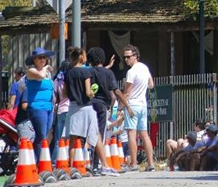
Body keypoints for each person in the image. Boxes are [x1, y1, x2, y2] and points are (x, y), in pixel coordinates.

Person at [64, 48, 116, 176]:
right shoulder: (85, 73)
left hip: (72, 107)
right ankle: (104, 165)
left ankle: (71, 166)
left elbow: (64, 93)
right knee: (96, 135)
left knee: (73, 137)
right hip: (86, 107)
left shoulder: (68, 73)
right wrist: (92, 93)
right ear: (82, 57)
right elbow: (88, 92)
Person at [88, 47, 132, 175]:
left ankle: (85, 161)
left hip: (89, 105)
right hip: (102, 106)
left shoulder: (89, 72)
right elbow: (116, 91)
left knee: (87, 134)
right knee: (99, 135)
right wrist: (126, 106)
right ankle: (96, 164)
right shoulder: (108, 74)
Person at [122, 44, 155, 171]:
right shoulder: (144, 68)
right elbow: (151, 84)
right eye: (125, 57)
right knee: (144, 134)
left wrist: (121, 105)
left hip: (132, 104)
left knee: (131, 133)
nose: (126, 59)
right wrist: (141, 88)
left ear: (135, 56)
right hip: (143, 104)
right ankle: (150, 163)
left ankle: (133, 163)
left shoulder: (131, 72)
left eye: (128, 57)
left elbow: (127, 91)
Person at [25, 47, 55, 162]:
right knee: (41, 135)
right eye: (40, 58)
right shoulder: (31, 71)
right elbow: (41, 76)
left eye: (44, 57)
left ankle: (40, 160)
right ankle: (38, 162)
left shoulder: (48, 74)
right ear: (34, 60)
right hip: (37, 107)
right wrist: (46, 68)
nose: (43, 60)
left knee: (46, 135)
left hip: (49, 107)